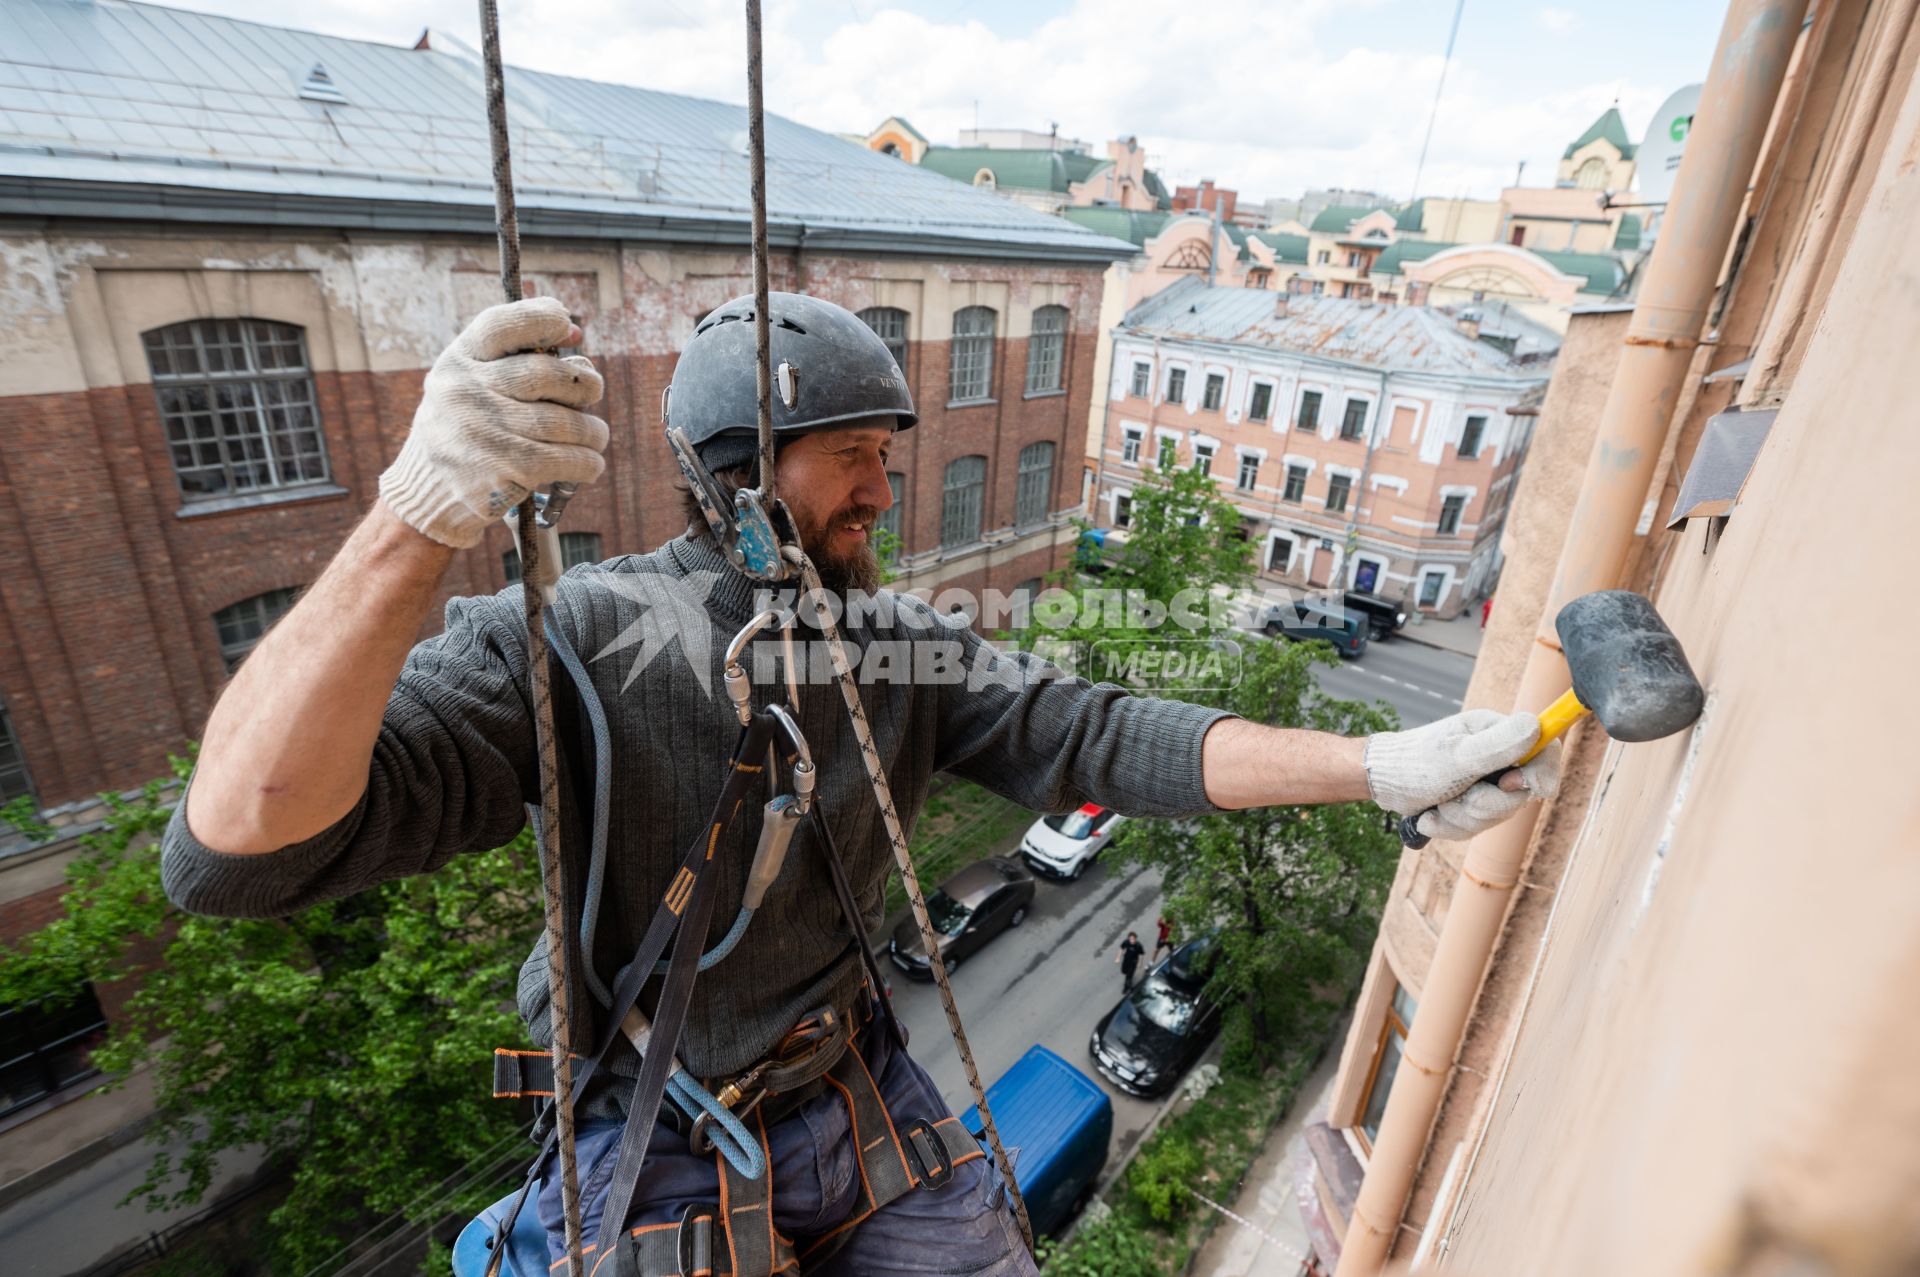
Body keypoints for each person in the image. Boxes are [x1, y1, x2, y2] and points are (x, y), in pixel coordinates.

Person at [161, 292, 1562, 1277]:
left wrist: (1373, 767)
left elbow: (1101, 733)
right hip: (654, 1128)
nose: (883, 494)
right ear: (739, 477)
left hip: (850, 1090)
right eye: (852, 459)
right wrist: (420, 513)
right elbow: (234, 851)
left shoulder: (891, 643)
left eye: (886, 459)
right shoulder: (582, 641)